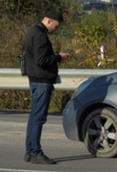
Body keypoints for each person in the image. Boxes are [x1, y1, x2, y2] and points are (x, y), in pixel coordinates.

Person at [22, 9, 71, 165]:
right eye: (56, 26)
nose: (55, 30)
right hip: (41, 81)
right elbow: (42, 60)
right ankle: (35, 151)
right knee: (38, 118)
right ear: (48, 21)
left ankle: (30, 150)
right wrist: (59, 57)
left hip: (37, 79)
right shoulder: (40, 36)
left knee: (34, 116)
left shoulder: (33, 31)